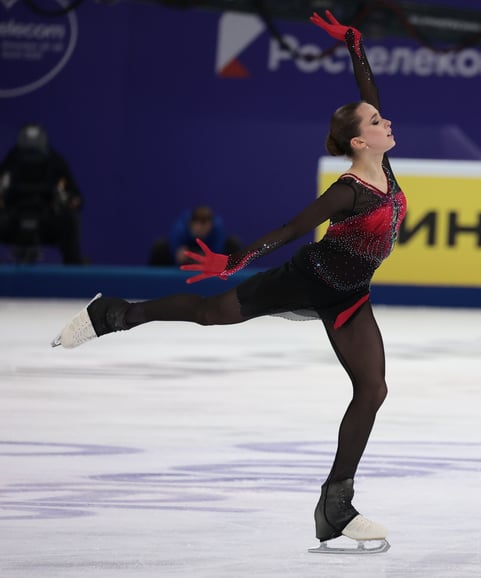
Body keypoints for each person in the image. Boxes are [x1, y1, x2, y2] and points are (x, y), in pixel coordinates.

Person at [51, 11, 404, 554]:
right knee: (210, 313)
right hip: (308, 281)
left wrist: (356, 44)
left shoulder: (383, 166)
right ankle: (115, 314)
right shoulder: (351, 188)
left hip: (351, 295)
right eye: (376, 121)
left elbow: (368, 89)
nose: (385, 121)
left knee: (373, 389)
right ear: (360, 141)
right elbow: (292, 228)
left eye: (381, 118)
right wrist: (236, 261)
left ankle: (336, 504)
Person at [0, 123, 85, 264]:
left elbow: (76, 197)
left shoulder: (56, 162)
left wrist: (71, 201)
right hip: (13, 221)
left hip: (46, 222)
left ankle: (74, 267)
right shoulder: (11, 160)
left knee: (70, 219)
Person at [148, 205, 242, 266]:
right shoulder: (179, 229)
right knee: (160, 246)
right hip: (181, 261)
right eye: (199, 227)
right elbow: (176, 253)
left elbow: (217, 253)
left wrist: (208, 259)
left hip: (209, 258)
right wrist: (179, 255)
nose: (202, 231)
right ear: (191, 224)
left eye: (205, 228)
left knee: (233, 243)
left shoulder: (217, 229)